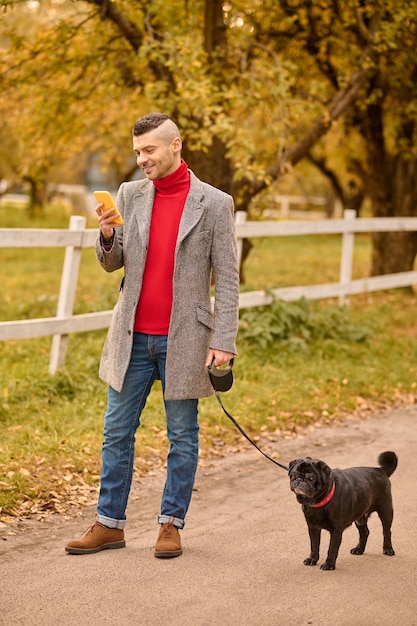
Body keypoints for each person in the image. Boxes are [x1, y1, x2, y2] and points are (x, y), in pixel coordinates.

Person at [65, 112, 240, 558]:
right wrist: (106, 235)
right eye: (137, 151)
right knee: (116, 432)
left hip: (186, 338)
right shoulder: (129, 195)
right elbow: (113, 262)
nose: (141, 159)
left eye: (149, 150)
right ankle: (109, 524)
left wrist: (223, 340)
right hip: (132, 337)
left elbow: (229, 277)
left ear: (175, 145)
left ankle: (170, 523)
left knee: (182, 434)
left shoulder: (215, 203)